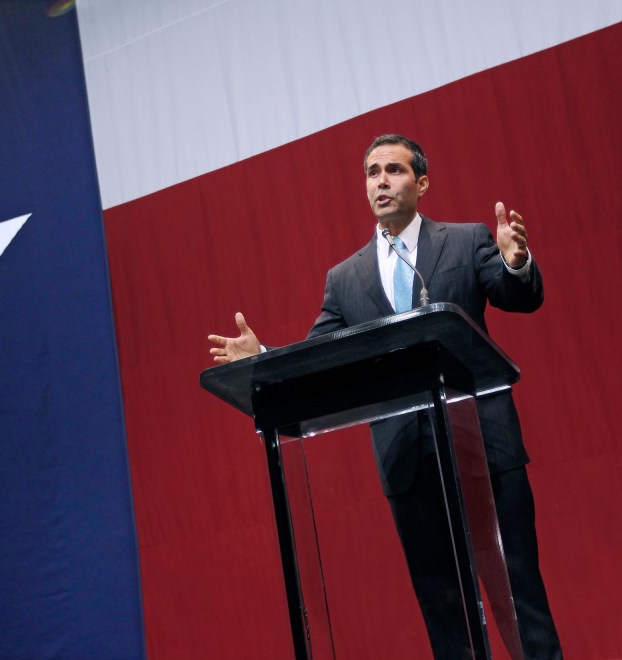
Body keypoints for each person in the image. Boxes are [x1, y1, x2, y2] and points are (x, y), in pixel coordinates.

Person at [208, 134, 562, 658]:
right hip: (407, 461)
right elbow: (318, 358)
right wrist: (264, 357)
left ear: (421, 183)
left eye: (393, 171)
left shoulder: (465, 241)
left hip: (484, 445)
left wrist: (515, 263)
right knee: (442, 605)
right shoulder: (344, 279)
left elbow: (519, 297)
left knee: (519, 591)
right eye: (372, 173)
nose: (381, 181)